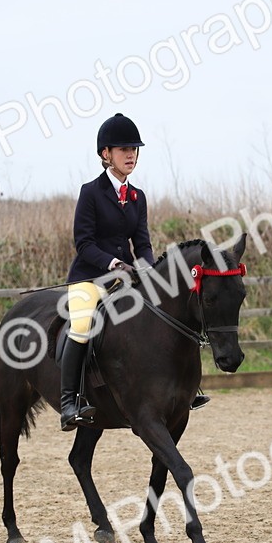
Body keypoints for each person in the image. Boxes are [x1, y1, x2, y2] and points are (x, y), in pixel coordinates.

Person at [60, 114, 207, 431]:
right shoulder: (91, 192)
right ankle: (70, 400)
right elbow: (83, 243)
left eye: (135, 149)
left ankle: (184, 388)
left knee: (167, 314)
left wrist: (149, 269)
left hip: (128, 276)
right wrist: (113, 264)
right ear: (106, 154)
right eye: (124, 149)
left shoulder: (138, 196)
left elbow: (142, 243)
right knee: (84, 323)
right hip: (90, 276)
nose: (131, 155)